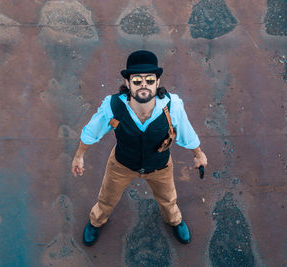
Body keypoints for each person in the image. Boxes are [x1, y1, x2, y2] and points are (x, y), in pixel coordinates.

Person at [71, 50, 207, 246]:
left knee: (169, 199)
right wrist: (79, 156)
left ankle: (175, 221)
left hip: (160, 167)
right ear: (128, 83)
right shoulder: (113, 106)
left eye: (150, 79)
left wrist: (199, 155)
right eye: (137, 80)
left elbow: (187, 133)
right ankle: (96, 222)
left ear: (157, 82)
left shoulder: (173, 105)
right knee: (106, 199)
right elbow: (91, 132)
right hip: (121, 165)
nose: (144, 85)